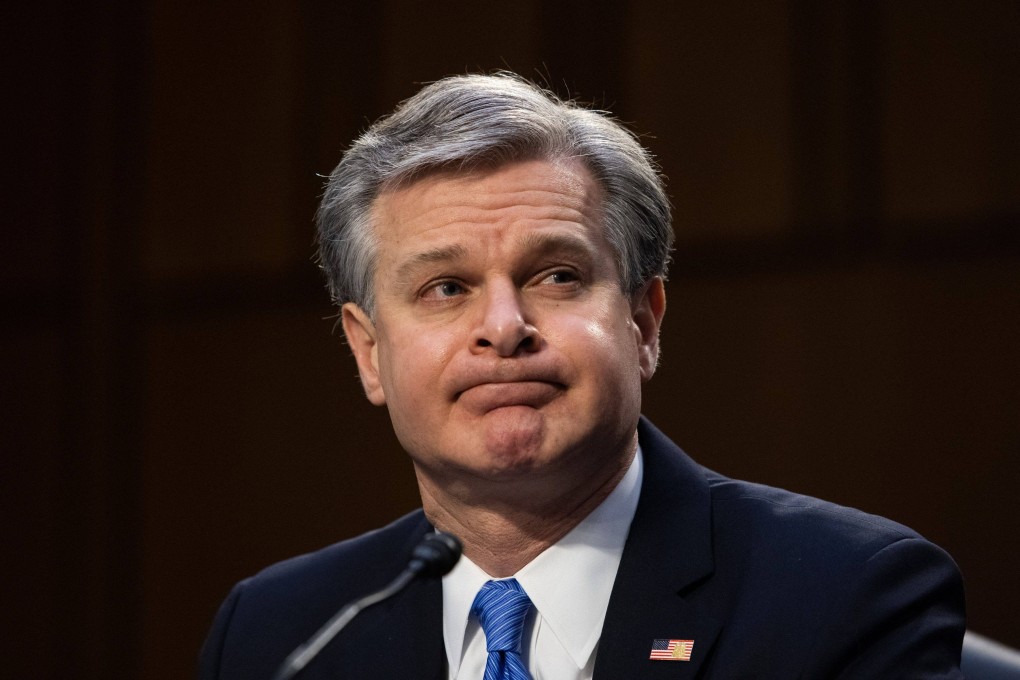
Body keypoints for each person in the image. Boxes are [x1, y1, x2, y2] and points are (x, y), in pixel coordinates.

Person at [199, 72, 966, 679]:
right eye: (446, 289)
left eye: (557, 275)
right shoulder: (281, 634)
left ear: (644, 322)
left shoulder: (844, 596)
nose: (503, 327)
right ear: (369, 352)